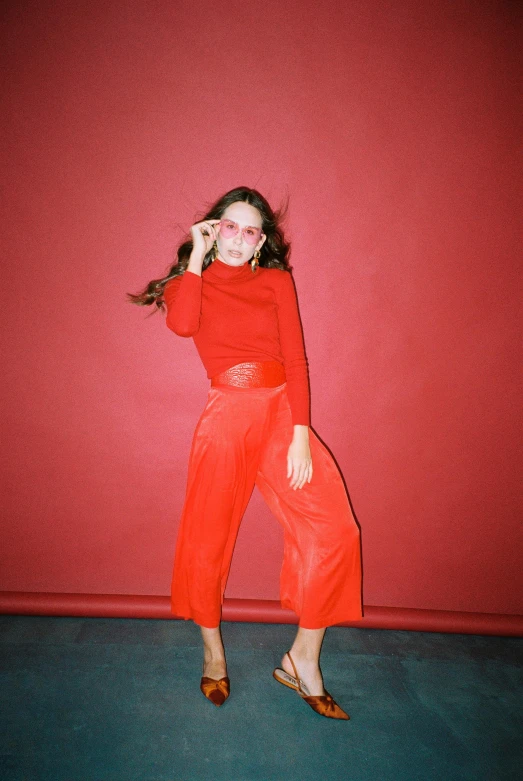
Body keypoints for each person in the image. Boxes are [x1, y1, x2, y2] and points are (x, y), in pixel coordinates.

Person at [128, 186, 363, 720]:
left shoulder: (277, 282)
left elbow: (298, 360)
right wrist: (194, 252)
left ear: (261, 242)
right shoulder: (192, 283)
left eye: (249, 230)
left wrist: (300, 431)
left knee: (334, 531)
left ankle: (303, 657)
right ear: (214, 230)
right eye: (226, 227)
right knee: (208, 541)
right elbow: (183, 324)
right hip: (227, 419)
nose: (237, 239)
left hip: (282, 415)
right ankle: (213, 652)